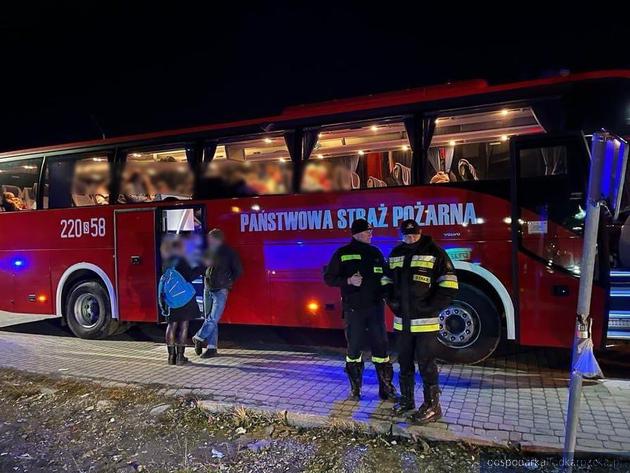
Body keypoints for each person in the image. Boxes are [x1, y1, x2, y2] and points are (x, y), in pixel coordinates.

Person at [387, 219, 458, 423]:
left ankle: (432, 407)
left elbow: (449, 284)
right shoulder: (396, 253)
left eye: (414, 235)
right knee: (405, 362)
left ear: (420, 233)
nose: (410, 239)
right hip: (403, 323)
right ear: (401, 235)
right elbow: (386, 280)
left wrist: (431, 307)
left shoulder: (435, 252)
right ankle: (407, 400)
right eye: (406, 236)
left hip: (426, 323)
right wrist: (392, 302)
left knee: (426, 364)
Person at [323, 218, 397, 401]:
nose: (371, 234)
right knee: (354, 350)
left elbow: (386, 277)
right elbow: (329, 278)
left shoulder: (376, 253)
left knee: (381, 349)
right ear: (356, 233)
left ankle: (386, 390)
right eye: (367, 231)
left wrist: (389, 293)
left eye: (371, 231)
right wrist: (348, 281)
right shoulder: (343, 253)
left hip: (375, 309)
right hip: (353, 310)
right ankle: (355, 390)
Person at [193, 228, 243, 358]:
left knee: (213, 317)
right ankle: (211, 348)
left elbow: (238, 270)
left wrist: (227, 282)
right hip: (208, 287)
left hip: (221, 289)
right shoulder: (208, 251)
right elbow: (201, 267)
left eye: (210, 238)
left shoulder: (228, 252)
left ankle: (199, 337)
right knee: (209, 317)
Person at [158, 236, 205, 365]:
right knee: (184, 325)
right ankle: (180, 357)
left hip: (171, 299)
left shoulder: (166, 261)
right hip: (184, 299)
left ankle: (170, 357)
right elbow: (191, 275)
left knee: (171, 325)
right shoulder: (183, 261)